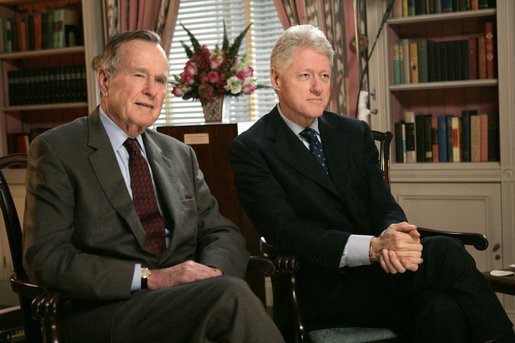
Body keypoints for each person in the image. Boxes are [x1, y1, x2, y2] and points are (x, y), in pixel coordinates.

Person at [229, 24, 515, 342]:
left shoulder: (352, 132)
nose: (318, 88)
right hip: (321, 287)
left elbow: (382, 202)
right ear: (276, 79)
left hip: (380, 275)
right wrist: (373, 247)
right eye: (305, 76)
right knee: (446, 252)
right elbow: (288, 232)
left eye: (324, 76)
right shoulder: (251, 149)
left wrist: (394, 233)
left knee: (440, 308)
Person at [23, 30, 284, 343]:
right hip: (105, 310)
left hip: (186, 302)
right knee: (230, 299)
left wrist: (209, 276)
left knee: (223, 298)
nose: (151, 90)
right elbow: (47, 258)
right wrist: (150, 278)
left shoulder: (179, 154)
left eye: (160, 80)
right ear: (105, 80)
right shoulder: (58, 150)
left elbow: (221, 232)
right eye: (139, 75)